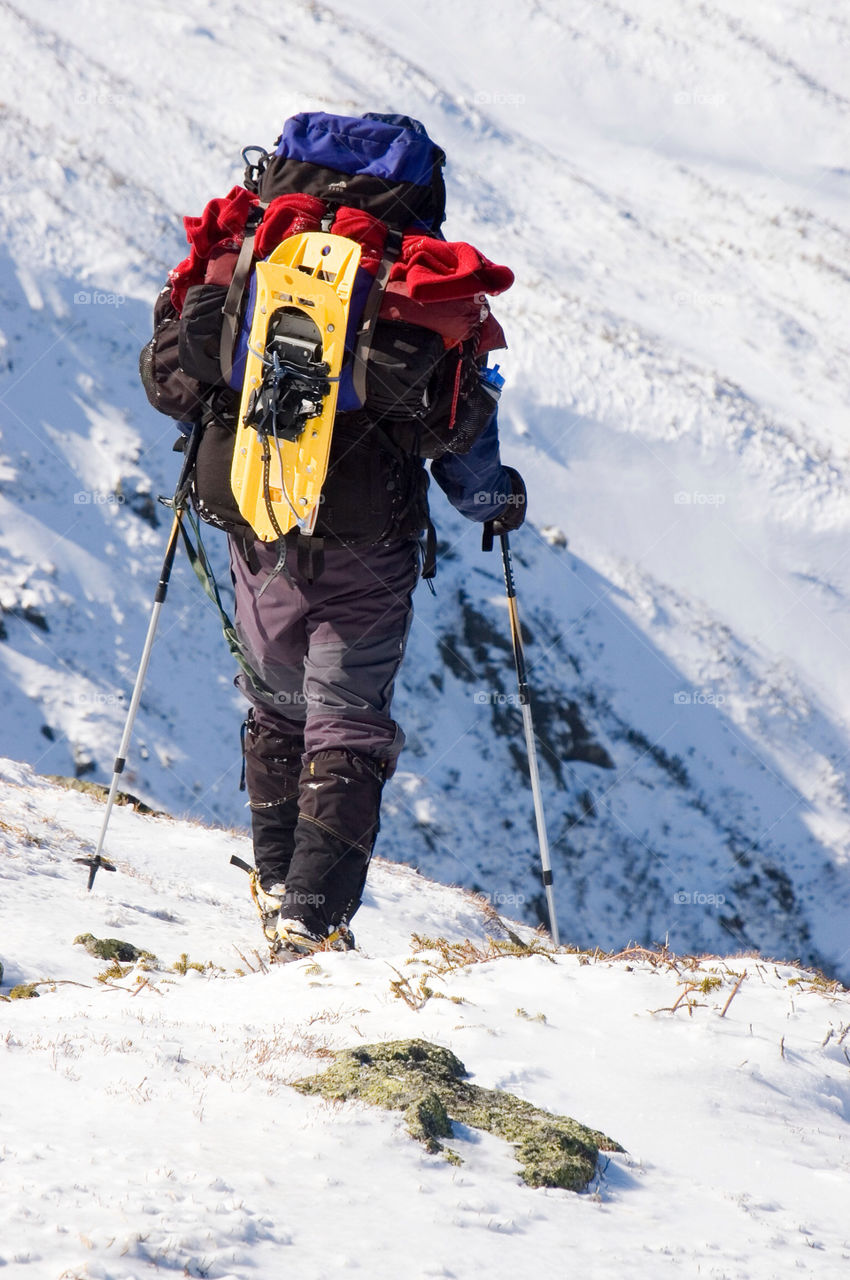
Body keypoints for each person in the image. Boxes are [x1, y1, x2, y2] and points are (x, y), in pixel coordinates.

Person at [140, 110, 527, 958]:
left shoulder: (253, 254)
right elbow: (460, 434)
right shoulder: (416, 285)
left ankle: (280, 892)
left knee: (279, 708)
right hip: (366, 536)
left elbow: (170, 380)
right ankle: (311, 925)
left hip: (253, 513)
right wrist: (497, 501)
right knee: (346, 721)